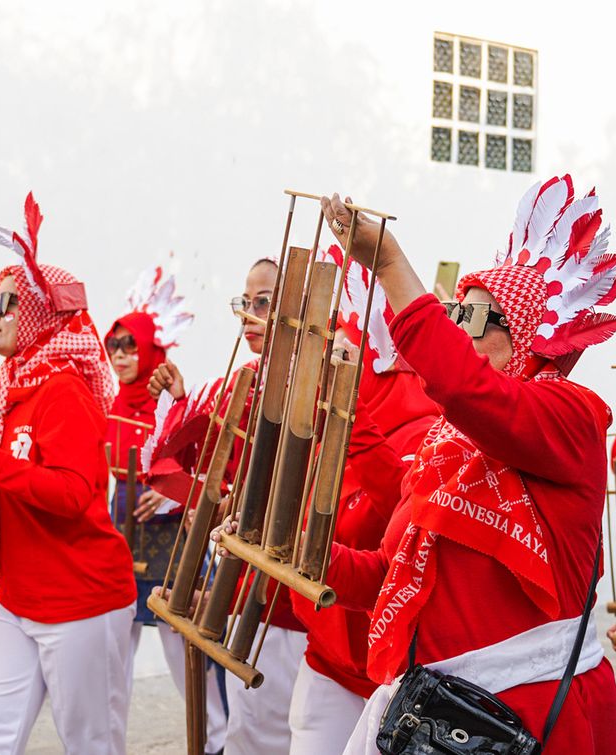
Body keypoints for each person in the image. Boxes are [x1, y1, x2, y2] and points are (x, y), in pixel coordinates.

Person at [318, 177, 616, 754]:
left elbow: (467, 387)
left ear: (527, 339)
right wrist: (304, 552)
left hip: (532, 720)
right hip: (438, 719)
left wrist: (388, 263)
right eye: (454, 310)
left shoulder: (571, 414)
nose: (456, 325)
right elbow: (389, 575)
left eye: (474, 316)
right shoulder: (446, 444)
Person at [0, 194, 137, 755]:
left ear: (38, 314)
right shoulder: (8, 386)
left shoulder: (65, 392)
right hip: (19, 600)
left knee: (91, 746)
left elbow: (71, 494)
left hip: (82, 603)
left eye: (7, 303)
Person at [148, 257, 307, 755]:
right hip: (244, 585)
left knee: (278, 733)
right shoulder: (244, 381)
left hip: (294, 599)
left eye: (264, 302)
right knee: (249, 732)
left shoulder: (314, 384)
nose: (249, 313)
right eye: (246, 302)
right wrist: (212, 504)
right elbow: (192, 459)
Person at [285, 246, 440, 755]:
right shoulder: (330, 418)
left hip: (397, 677)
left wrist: (353, 420)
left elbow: (394, 524)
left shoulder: (429, 430)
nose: (325, 352)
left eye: (338, 342)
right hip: (327, 660)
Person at [102, 266, 228, 753]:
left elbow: (200, 462)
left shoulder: (174, 401)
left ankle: (216, 741)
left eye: (130, 345)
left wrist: (172, 494)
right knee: (112, 664)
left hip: (172, 541)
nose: (120, 356)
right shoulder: (107, 404)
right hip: (118, 535)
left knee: (188, 654)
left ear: (152, 348)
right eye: (114, 345)